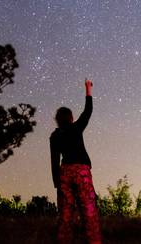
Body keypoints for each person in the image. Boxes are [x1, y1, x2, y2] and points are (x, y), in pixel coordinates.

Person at [49, 79, 102, 244]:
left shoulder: (55, 136)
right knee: (88, 211)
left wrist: (57, 183)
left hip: (65, 173)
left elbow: (54, 160)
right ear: (71, 118)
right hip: (81, 172)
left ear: (57, 120)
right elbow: (88, 111)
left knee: (65, 213)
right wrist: (88, 90)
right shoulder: (76, 127)